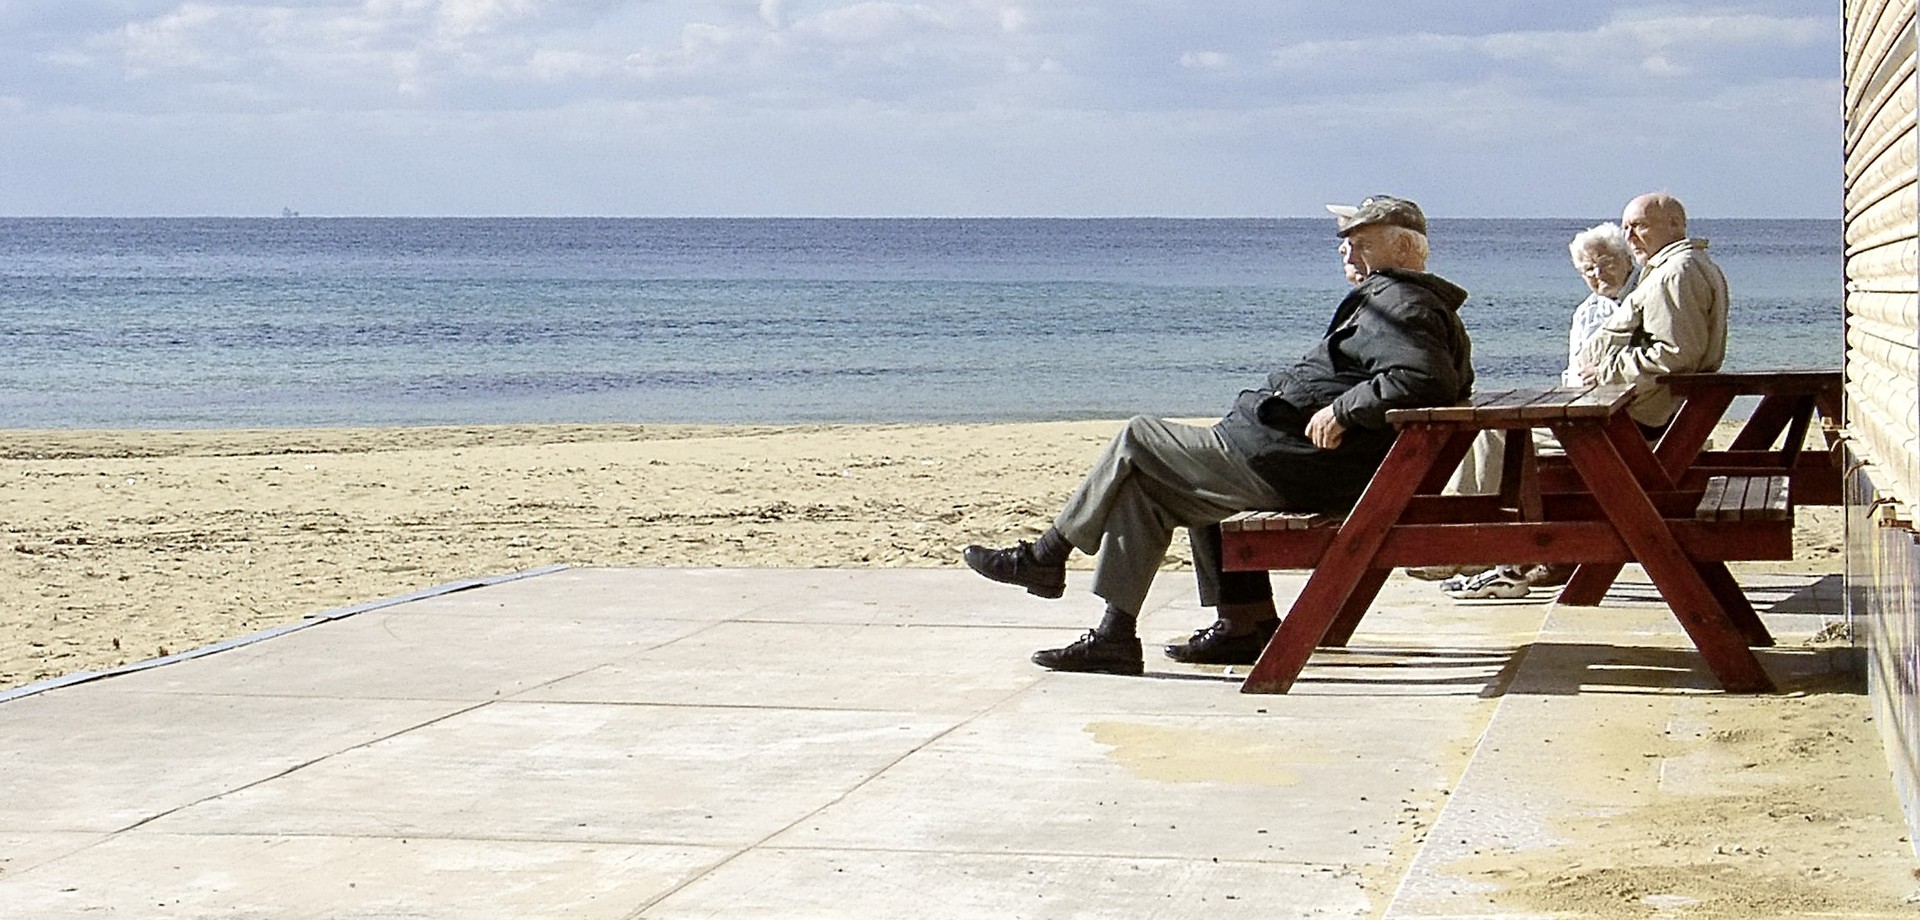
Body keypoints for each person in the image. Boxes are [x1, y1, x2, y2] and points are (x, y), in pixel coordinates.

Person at [961, 195, 1474, 674]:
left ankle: (1044, 557)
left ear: (1404, 247)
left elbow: (1424, 379)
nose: (1346, 248)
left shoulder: (1400, 303)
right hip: (1295, 459)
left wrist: (1344, 409)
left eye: (1363, 240)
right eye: (1345, 239)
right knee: (1146, 491)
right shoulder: (1398, 301)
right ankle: (1187, 629)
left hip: (1292, 464)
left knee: (1138, 437)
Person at [1442, 192, 1727, 600]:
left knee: (1498, 433)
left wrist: (1603, 372)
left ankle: (1479, 549)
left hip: (1634, 427)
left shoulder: (1676, 271)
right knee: (1505, 434)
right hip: (1635, 418)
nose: (1631, 235)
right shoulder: (1674, 268)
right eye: (1627, 226)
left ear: (1676, 225)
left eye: (1640, 226)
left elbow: (1673, 357)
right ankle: (1500, 555)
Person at [1409, 221, 1637, 587]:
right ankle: (1470, 545)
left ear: (1627, 260)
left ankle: (1474, 547)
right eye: (1588, 269)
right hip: (1582, 411)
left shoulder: (1638, 303)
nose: (1598, 274)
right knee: (1479, 432)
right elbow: (1576, 372)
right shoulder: (1586, 312)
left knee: (1496, 435)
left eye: (1606, 262)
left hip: (1613, 422)